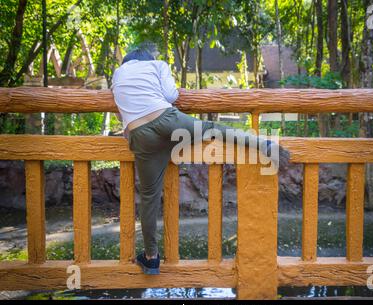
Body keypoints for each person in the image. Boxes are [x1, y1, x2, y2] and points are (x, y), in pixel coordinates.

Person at [111, 46, 287, 275]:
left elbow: (120, 109)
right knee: (211, 129)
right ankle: (264, 145)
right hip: (167, 121)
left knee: (149, 197)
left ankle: (151, 258)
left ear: (128, 61)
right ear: (147, 58)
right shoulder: (157, 65)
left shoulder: (119, 72)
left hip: (139, 134)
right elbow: (172, 96)